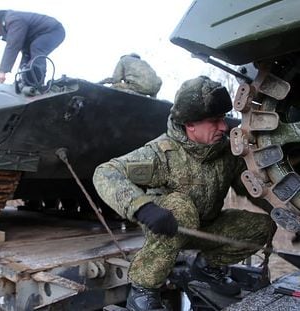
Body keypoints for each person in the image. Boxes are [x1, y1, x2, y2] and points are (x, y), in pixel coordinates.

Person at [93, 76, 276, 311]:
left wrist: (286, 213)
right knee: (181, 207)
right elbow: (106, 173)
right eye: (214, 120)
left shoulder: (226, 154)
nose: (223, 127)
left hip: (204, 229)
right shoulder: (162, 153)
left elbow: (253, 188)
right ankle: (143, 290)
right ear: (190, 124)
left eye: (222, 119)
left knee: (263, 225)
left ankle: (206, 268)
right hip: (170, 228)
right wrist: (143, 207)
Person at [0, 10, 65, 85]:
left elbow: (13, 45)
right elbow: (24, 51)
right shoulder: (8, 22)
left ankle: (37, 81)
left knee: (37, 48)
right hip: (36, 37)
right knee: (26, 60)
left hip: (53, 30)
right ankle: (26, 81)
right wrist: (22, 73)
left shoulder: (12, 20)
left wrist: (3, 71)